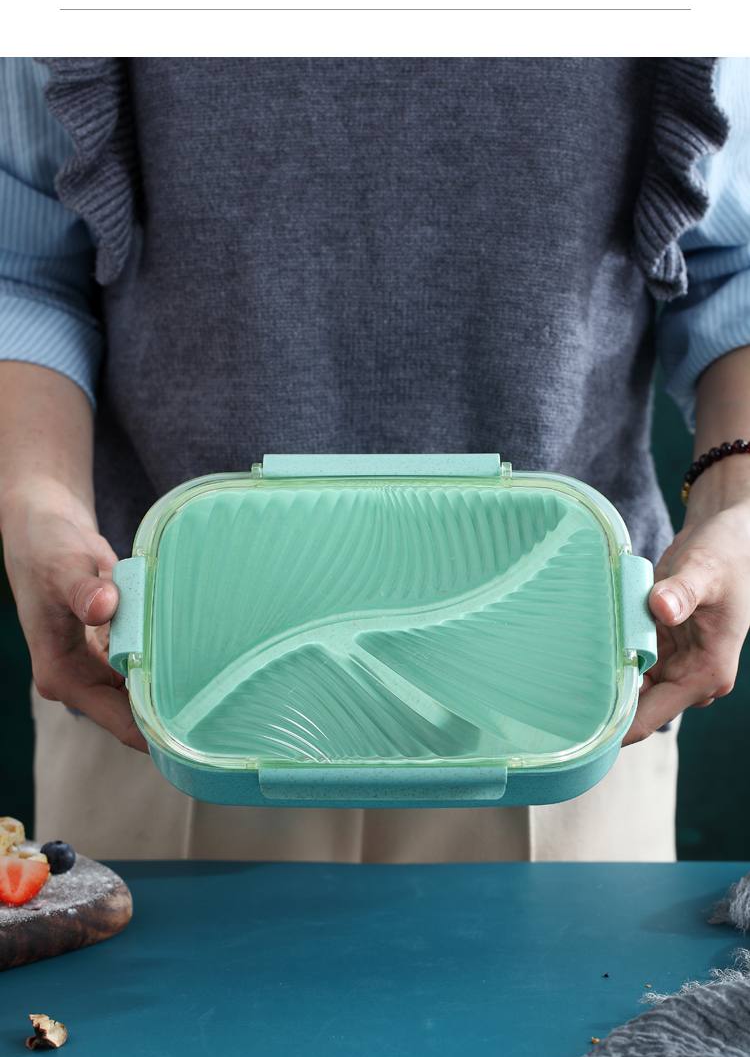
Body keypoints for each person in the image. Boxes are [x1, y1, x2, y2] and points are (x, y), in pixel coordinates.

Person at [1, 56, 749, 862]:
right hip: (161, 694)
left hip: (566, 706)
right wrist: (40, 505)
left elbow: (731, 265)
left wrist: (734, 501)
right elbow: (24, 263)